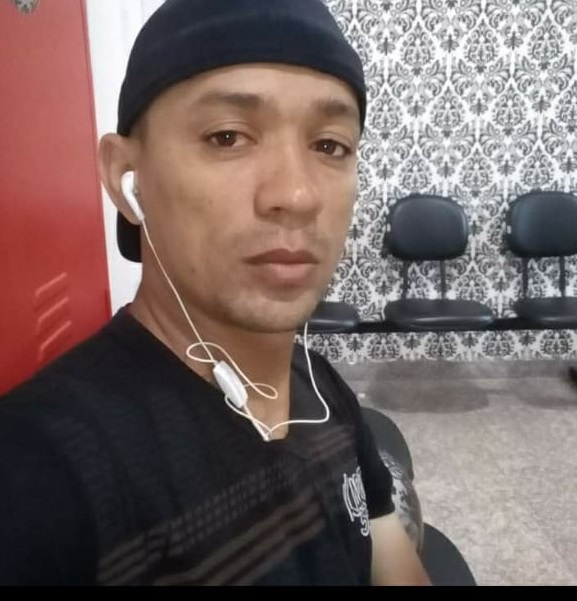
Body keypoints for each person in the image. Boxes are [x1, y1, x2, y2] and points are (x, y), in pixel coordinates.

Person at [0, 0, 431, 586]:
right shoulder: (42, 475)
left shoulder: (321, 386)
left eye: (330, 145)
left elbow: (392, 558)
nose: (297, 196)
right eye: (228, 137)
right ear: (126, 179)